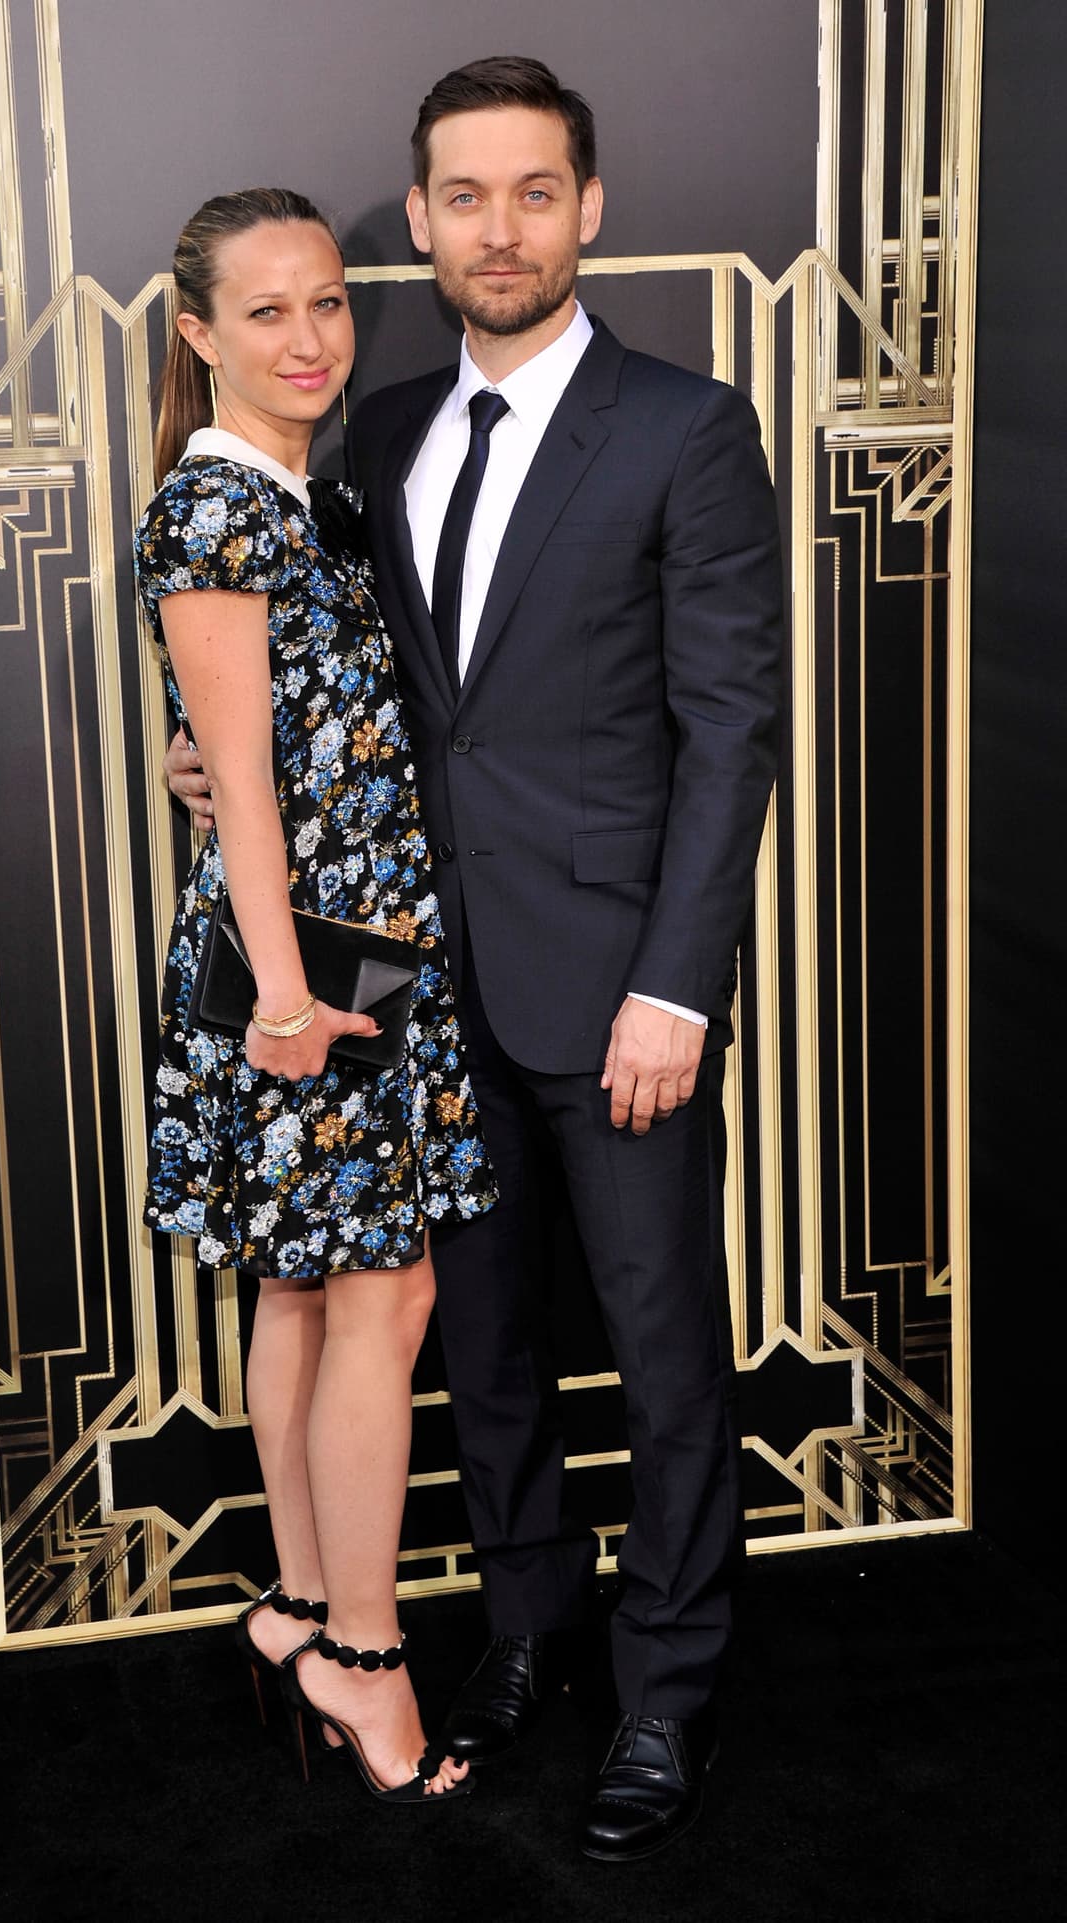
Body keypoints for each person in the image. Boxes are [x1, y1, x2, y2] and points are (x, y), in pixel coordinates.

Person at [166, 58, 783, 1863]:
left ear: (588, 211)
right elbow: (324, 702)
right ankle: (528, 1634)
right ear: (421, 219)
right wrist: (205, 765)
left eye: (535, 192)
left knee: (666, 1354)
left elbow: (729, 727)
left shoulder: (688, 426)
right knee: (482, 1351)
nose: (496, 228)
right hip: (414, 998)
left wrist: (677, 985)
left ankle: (666, 1691)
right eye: (461, 196)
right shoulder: (374, 428)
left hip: (615, 996)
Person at [135, 187, 496, 1805]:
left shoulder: (311, 502)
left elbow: (256, 751)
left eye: (330, 303)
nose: (310, 339)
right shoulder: (217, 515)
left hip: (343, 960)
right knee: (383, 1300)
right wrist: (285, 1002)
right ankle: (365, 1650)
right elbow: (259, 801)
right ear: (199, 333)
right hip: (314, 975)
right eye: (267, 312)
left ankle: (293, 1606)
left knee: (302, 1289)